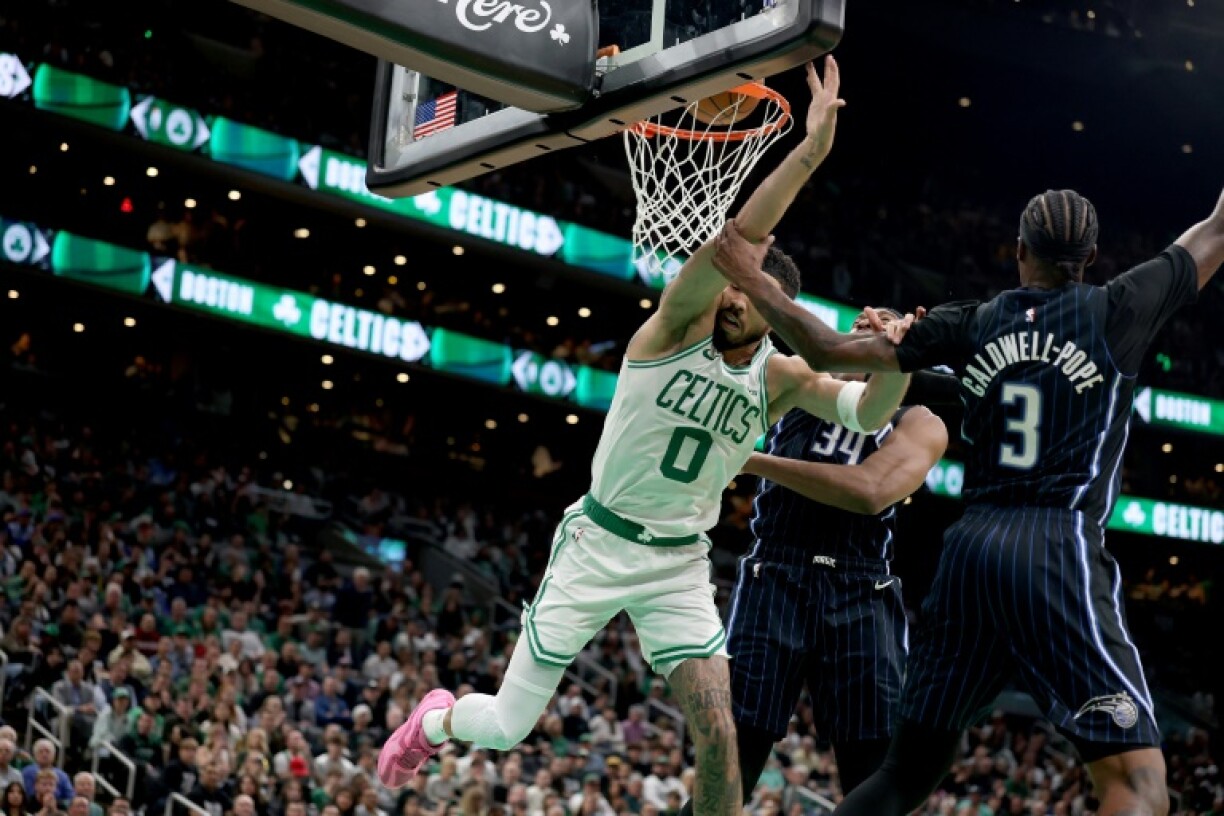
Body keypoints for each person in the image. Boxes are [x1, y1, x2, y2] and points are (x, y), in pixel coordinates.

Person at [377, 56, 911, 816]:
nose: (732, 296)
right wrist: (811, 153)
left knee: (720, 735)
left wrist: (898, 357)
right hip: (597, 543)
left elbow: (867, 412)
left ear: (776, 311)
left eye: (750, 294)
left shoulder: (781, 378)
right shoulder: (674, 327)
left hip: (677, 566)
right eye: (733, 283)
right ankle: (432, 720)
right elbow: (741, 235)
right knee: (504, 725)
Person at [711, 179, 1224, 814]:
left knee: (901, 776)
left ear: (1018, 251)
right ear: (1091, 259)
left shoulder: (975, 320)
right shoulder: (1119, 306)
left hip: (970, 551)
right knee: (1139, 784)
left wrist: (751, 277)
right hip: (1054, 544)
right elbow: (1216, 230)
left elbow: (826, 347)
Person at [677, 308, 951, 816]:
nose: (868, 319)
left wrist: (748, 459)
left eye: (882, 321)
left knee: (872, 773)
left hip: (862, 587)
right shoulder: (806, 375)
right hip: (778, 571)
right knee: (735, 763)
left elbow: (870, 492)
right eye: (861, 320)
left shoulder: (920, 421)